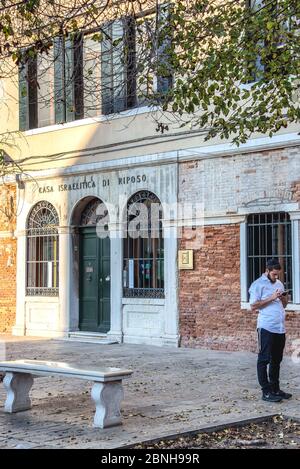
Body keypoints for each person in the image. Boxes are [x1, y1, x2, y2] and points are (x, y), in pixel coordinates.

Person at [249, 258, 292, 402]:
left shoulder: (279, 283)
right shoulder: (257, 285)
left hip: (279, 328)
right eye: (274, 274)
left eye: (277, 274)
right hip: (266, 327)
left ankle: (275, 389)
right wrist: (271, 297)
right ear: (267, 271)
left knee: (276, 360)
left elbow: (284, 305)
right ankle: (266, 392)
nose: (276, 277)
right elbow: (253, 306)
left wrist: (282, 298)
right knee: (264, 359)